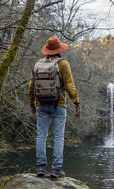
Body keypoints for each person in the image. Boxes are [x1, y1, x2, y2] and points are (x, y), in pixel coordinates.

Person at [28, 37, 81, 178]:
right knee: (58, 137)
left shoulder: (37, 64)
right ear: (59, 50)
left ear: (47, 50)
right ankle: (56, 170)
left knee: (41, 136)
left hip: (41, 104)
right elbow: (70, 85)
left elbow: (31, 87)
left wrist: (32, 105)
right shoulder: (63, 64)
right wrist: (77, 103)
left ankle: (41, 168)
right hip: (59, 104)